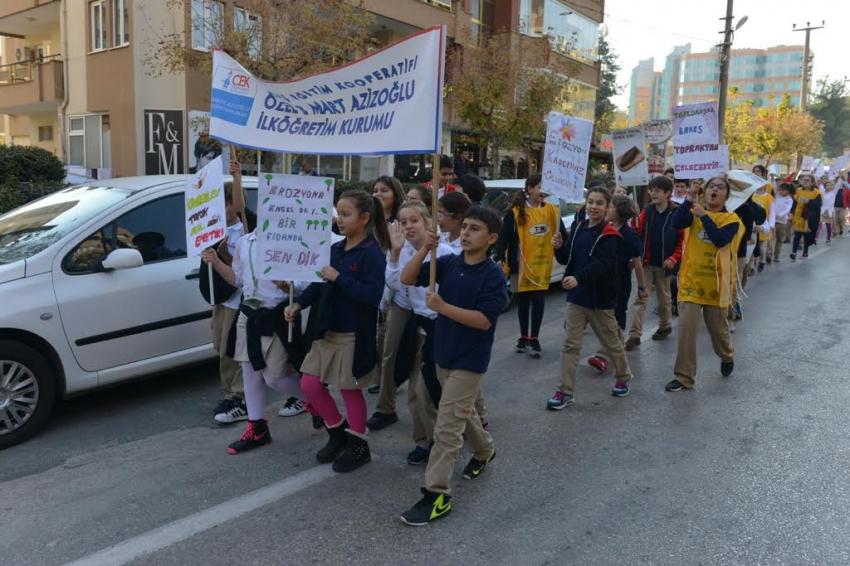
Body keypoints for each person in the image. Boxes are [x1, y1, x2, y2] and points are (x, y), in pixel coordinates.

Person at [398, 206, 506, 526]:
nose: (466, 233)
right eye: (465, 226)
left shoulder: (493, 276)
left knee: (447, 428)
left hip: (469, 362)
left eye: (475, 229)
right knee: (463, 412)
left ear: (492, 238)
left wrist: (442, 307)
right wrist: (426, 250)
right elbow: (406, 277)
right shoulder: (449, 263)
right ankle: (485, 450)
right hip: (443, 354)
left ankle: (437, 494)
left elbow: (484, 321)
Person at [285, 191, 388, 473]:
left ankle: (359, 445)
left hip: (352, 334)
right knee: (309, 385)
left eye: (346, 214)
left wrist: (340, 278)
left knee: (349, 390)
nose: (339, 220)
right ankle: (337, 432)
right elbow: (320, 284)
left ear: (364, 218)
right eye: (338, 214)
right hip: (326, 330)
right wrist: (299, 304)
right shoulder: (335, 249)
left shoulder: (371, 254)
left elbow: (371, 295)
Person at [202, 230, 306, 454]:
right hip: (248, 314)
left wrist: (288, 287)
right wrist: (216, 261)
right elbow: (238, 280)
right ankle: (257, 427)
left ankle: (313, 399)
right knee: (248, 370)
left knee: (275, 377)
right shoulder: (244, 242)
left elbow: (302, 285)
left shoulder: (291, 238)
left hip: (278, 315)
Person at [378, 201, 453, 464]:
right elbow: (395, 283)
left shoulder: (444, 253)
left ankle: (464, 434)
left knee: (433, 390)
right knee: (416, 391)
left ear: (428, 222)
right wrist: (396, 254)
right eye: (403, 221)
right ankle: (425, 441)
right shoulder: (401, 251)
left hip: (440, 328)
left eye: (414, 221)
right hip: (416, 327)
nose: (408, 226)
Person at [547, 186, 633, 409]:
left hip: (600, 299)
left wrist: (578, 278)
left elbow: (601, 265)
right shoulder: (579, 228)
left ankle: (623, 377)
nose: (594, 207)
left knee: (611, 342)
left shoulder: (611, 235)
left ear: (607, 208)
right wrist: (558, 248)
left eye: (599, 203)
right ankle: (565, 392)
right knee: (570, 345)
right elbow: (568, 258)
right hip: (577, 298)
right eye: (590, 202)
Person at [665, 176, 744, 392]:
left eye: (720, 188)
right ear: (704, 191)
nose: (714, 190)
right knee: (686, 331)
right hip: (691, 282)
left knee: (718, 332)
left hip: (717, 287)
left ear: (727, 195)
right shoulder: (692, 212)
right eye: (711, 187)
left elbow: (720, 240)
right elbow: (676, 223)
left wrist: (705, 216)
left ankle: (727, 355)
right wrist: (690, 197)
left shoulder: (732, 219)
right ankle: (684, 377)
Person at [495, 174, 559, 358]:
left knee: (539, 302)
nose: (543, 191)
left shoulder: (552, 211)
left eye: (545, 188)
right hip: (519, 266)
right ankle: (523, 337)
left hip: (542, 265)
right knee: (523, 302)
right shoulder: (514, 212)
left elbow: (561, 236)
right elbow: (504, 238)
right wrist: (500, 257)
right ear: (529, 189)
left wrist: (559, 242)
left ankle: (535, 338)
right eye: (539, 187)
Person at [588, 194, 648, 373]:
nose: (607, 209)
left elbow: (637, 263)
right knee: (603, 317)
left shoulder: (629, 236)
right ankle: (614, 350)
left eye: (611, 206)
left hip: (620, 283)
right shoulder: (604, 229)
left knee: (616, 317)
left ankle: (603, 355)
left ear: (619, 212)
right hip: (602, 281)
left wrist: (642, 287)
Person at [625, 175, 683, 351]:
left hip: (665, 264)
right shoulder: (647, 210)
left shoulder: (676, 213)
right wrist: (634, 220)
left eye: (657, 190)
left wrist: (674, 258)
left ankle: (665, 326)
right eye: (651, 190)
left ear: (668, 193)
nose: (652, 193)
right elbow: (637, 230)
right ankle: (634, 335)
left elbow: (682, 240)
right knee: (641, 297)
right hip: (647, 263)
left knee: (664, 298)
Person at [368, 176, 405, 395]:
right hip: (370, 278)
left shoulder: (400, 221)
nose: (378, 194)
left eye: (384, 190)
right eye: (375, 190)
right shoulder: (368, 219)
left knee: (385, 334)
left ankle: (385, 378)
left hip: (392, 281)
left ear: (395, 194)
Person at [790, 174, 821, 261]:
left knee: (806, 236)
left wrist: (809, 201)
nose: (805, 181)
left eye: (807, 180)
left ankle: (805, 252)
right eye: (804, 180)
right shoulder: (798, 190)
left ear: (812, 182)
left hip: (809, 217)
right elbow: (795, 203)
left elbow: (818, 205)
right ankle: (793, 252)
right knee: (797, 235)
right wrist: (791, 212)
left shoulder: (816, 192)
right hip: (798, 216)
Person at [751, 182, 775, 271]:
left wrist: (771, 224)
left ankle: (762, 261)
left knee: (762, 246)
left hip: (763, 223)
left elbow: (772, 212)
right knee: (753, 245)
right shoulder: (752, 195)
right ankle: (752, 265)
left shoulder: (769, 197)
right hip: (753, 223)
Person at [772, 183, 793, 262]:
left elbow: (787, 210)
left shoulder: (789, 199)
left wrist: (779, 215)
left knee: (779, 239)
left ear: (787, 191)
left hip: (782, 222)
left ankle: (776, 256)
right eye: (780, 190)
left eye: (783, 190)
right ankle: (769, 254)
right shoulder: (777, 196)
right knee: (770, 238)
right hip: (773, 220)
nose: (781, 191)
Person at [820, 179, 837, 244]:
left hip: (830, 211)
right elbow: (820, 184)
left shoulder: (834, 193)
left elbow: (838, 185)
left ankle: (828, 238)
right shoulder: (822, 192)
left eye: (830, 185)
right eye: (827, 185)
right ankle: (815, 239)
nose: (828, 186)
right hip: (822, 210)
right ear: (825, 186)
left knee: (828, 225)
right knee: (819, 225)